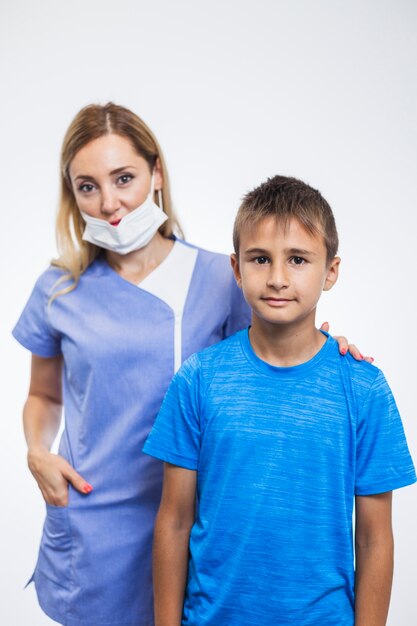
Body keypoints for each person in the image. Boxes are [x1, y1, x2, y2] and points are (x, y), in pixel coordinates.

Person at [13, 104, 366, 626]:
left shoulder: (221, 278)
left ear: (156, 175)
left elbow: (273, 350)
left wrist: (332, 353)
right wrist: (37, 451)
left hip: (206, 526)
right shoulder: (59, 290)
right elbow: (44, 394)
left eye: (124, 178)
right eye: (87, 187)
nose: (109, 203)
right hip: (96, 525)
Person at [143, 175, 416, 626]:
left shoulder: (365, 390)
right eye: (259, 259)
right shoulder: (198, 380)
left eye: (297, 259)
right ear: (236, 268)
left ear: (330, 271)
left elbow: (374, 539)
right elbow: (173, 521)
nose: (277, 278)